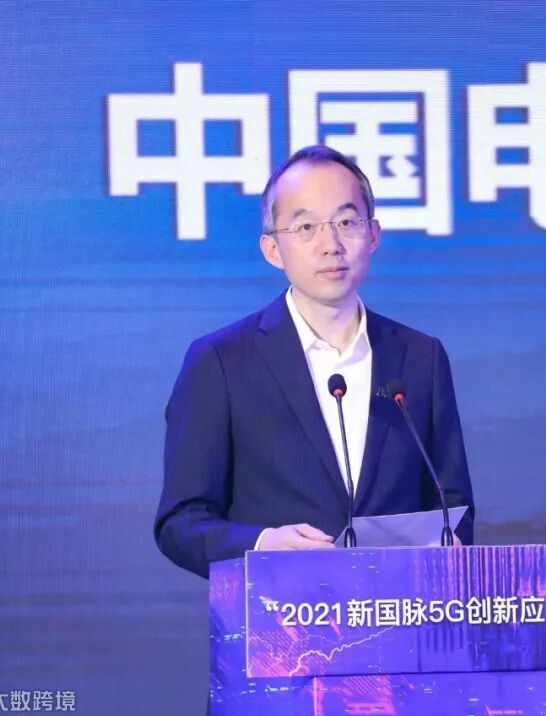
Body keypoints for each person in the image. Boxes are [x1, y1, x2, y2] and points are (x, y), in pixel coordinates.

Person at [154, 145, 475, 578]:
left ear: (373, 234)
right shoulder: (221, 361)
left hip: (397, 611)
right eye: (306, 227)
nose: (331, 245)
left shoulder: (421, 357)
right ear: (272, 249)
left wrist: (446, 550)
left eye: (346, 222)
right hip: (280, 613)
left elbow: (453, 506)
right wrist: (261, 546)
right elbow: (181, 522)